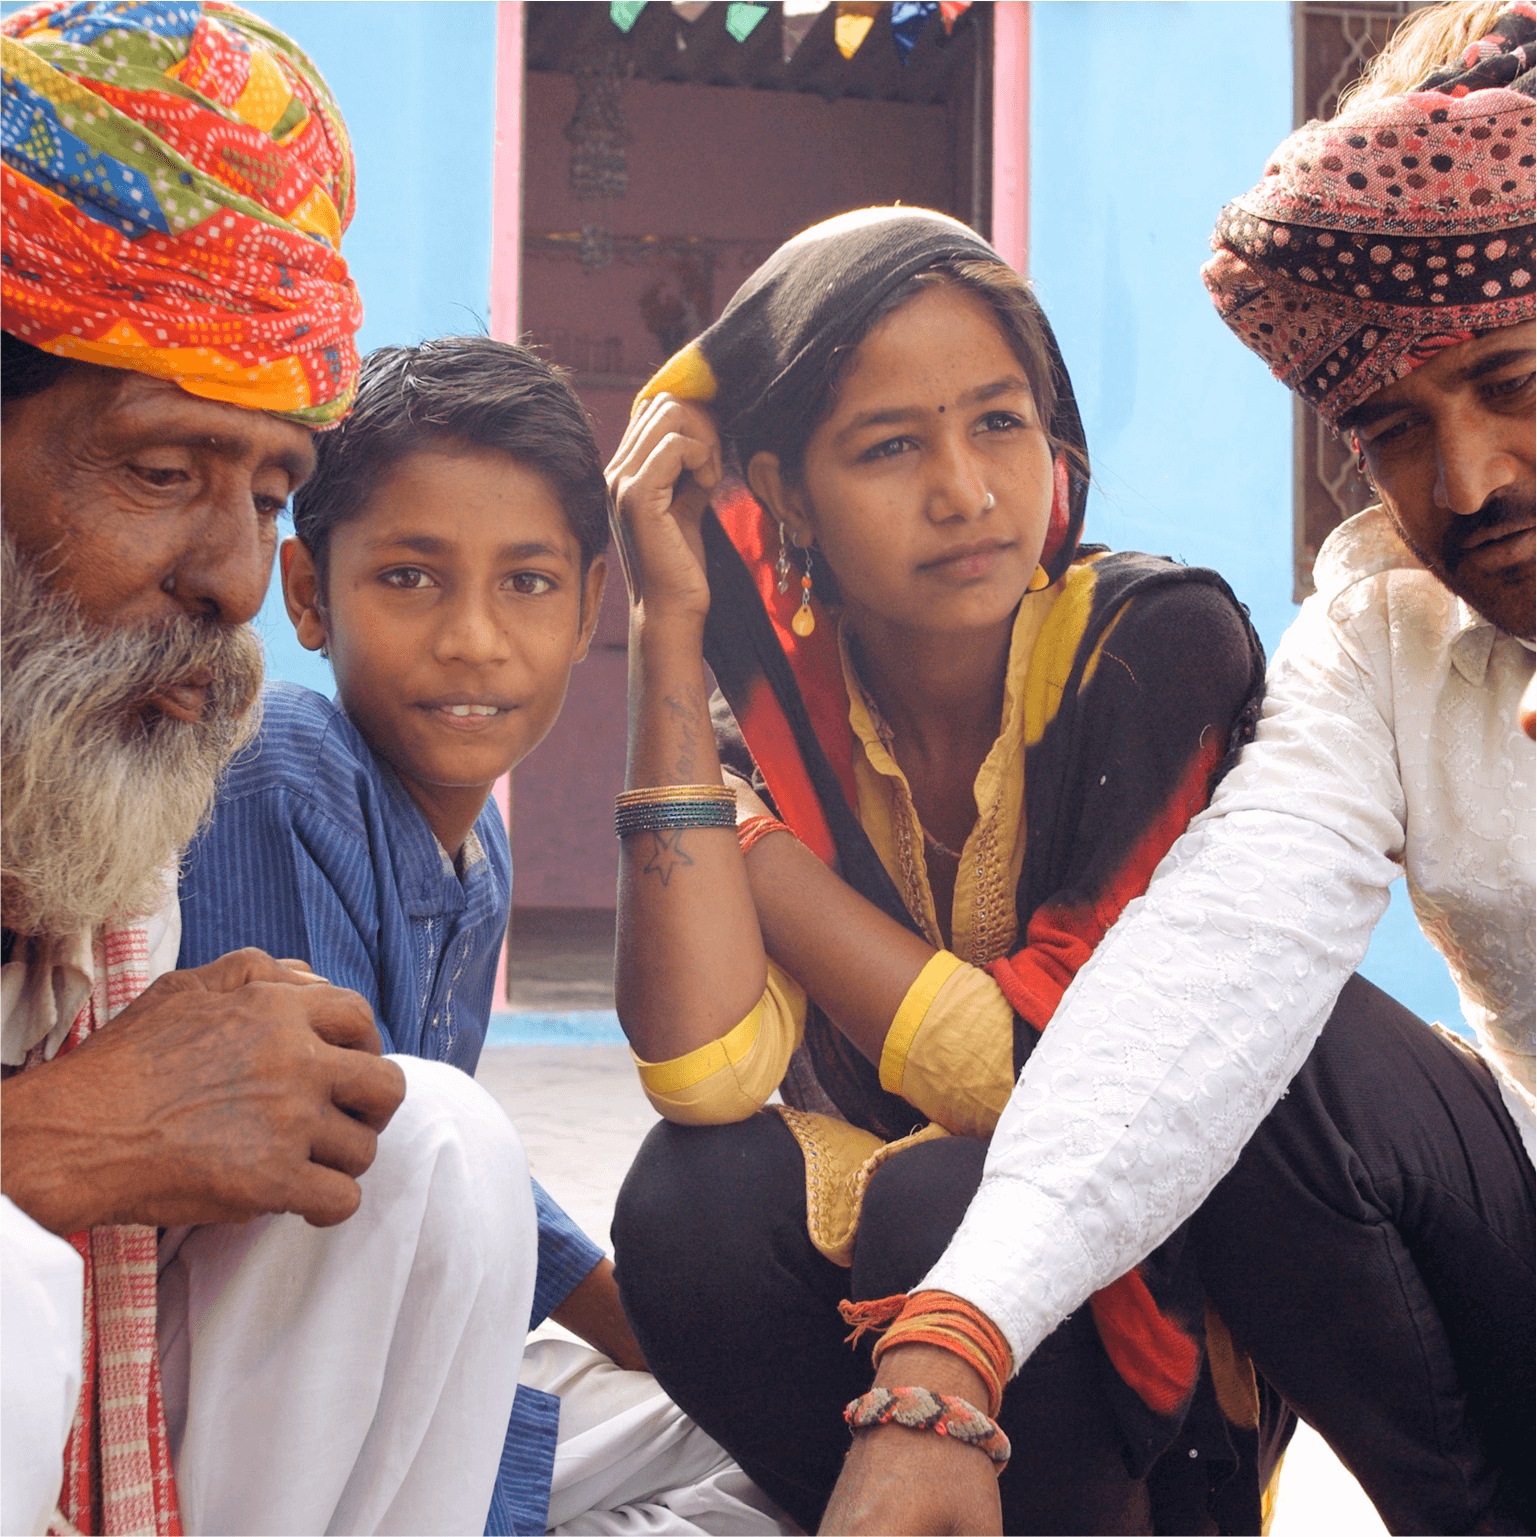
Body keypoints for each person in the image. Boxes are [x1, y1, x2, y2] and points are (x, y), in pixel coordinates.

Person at [820, 7, 1535, 1534]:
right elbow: (1213, 961)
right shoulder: (1379, 641)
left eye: (1514, 383)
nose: (1465, 481)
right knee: (1284, 1061)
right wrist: (956, 1336)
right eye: (1396, 428)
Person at [603, 205, 1288, 1535]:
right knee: (690, 1200)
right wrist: (663, 631)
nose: (966, 491)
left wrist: (752, 852)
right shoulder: (784, 713)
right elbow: (704, 1067)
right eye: (889, 446)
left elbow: (1032, 1079)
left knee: (943, 1191)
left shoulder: (1155, 646)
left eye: (997, 423)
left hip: (1160, 1335)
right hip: (920, 1335)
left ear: (1054, 437)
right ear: (785, 491)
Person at [0, 7, 534, 1534]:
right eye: (163, 472)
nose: (233, 578)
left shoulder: (96, 774)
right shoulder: (280, 765)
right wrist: (60, 1136)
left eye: (273, 486)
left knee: (424, 1154)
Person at [177, 335, 791, 1537]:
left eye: (526, 581)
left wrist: (667, 1343)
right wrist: (626, 1326)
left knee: (776, 1421)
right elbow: (362, 1165)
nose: (472, 637)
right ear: (307, 593)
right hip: (243, 1408)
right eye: (408, 578)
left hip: (384, 1371)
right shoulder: (281, 768)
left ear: (586, 608)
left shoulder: (476, 848)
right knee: (431, 1130)